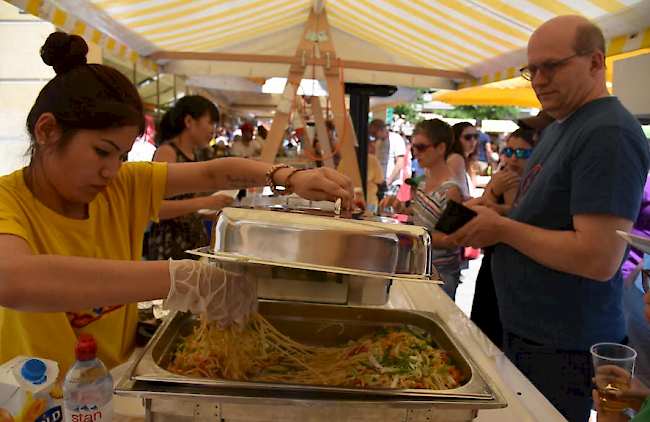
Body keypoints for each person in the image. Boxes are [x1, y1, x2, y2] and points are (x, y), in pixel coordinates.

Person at [0, 32, 353, 373]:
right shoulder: (7, 201)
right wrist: (184, 277)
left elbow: (213, 174)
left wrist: (288, 177)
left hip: (112, 382)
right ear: (47, 132)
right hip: (34, 401)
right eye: (101, 152)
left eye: (121, 156)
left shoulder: (120, 185)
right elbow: (13, 280)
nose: (110, 171)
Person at [445, 16, 650, 422]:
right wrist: (500, 213)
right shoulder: (563, 125)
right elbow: (548, 218)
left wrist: (503, 227)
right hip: (531, 332)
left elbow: (597, 257)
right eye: (532, 69)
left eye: (552, 66)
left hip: (563, 343)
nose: (538, 79)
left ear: (595, 63)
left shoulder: (608, 131)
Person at [378, 119, 463, 300]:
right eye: (414, 147)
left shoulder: (451, 190)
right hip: (420, 265)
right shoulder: (425, 180)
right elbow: (420, 214)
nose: (415, 153)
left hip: (440, 274)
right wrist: (400, 205)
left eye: (421, 147)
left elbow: (451, 240)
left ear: (440, 148)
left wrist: (409, 233)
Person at [466, 128, 535, 347]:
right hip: (493, 263)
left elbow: (520, 220)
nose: (514, 157)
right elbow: (480, 213)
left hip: (520, 271)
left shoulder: (536, 186)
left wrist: (496, 204)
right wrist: (494, 193)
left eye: (523, 153)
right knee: (482, 334)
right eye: (509, 151)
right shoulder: (502, 178)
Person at [147, 96, 234, 261]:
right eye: (210, 123)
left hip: (192, 241)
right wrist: (204, 203)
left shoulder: (194, 154)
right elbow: (156, 208)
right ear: (189, 121)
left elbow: (189, 205)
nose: (213, 130)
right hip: (170, 244)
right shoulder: (167, 152)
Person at [369, 119, 405, 197]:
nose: (373, 136)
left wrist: (389, 181)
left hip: (392, 182)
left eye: (374, 133)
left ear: (382, 129)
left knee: (387, 207)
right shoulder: (378, 142)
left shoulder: (396, 139)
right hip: (380, 181)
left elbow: (399, 162)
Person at [448, 122, 479, 199]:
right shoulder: (456, 159)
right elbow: (461, 195)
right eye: (468, 137)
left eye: (475, 136)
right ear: (456, 139)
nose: (473, 140)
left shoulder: (467, 160)